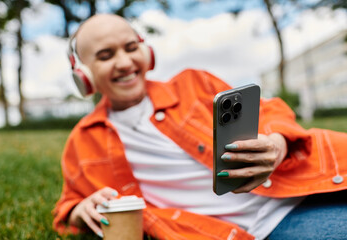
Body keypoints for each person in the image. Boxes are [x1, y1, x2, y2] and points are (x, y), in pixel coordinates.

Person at [53, 14, 347, 240]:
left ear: (147, 53)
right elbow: (68, 206)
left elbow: (270, 112)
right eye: (106, 56)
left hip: (307, 183)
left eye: (131, 48)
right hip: (268, 224)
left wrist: (277, 143)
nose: (124, 62)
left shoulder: (193, 84)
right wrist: (79, 211)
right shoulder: (83, 141)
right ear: (83, 75)